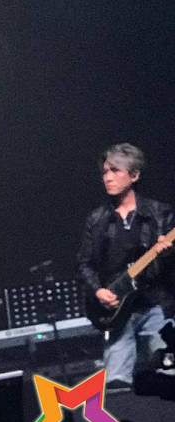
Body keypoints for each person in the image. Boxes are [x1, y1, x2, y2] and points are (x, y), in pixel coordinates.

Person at [76, 143, 174, 390]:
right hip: (118, 314)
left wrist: (168, 254)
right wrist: (98, 290)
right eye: (105, 172)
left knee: (164, 374)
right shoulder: (97, 219)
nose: (107, 177)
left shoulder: (160, 213)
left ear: (134, 175)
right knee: (117, 386)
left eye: (115, 171)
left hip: (155, 306)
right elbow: (85, 264)